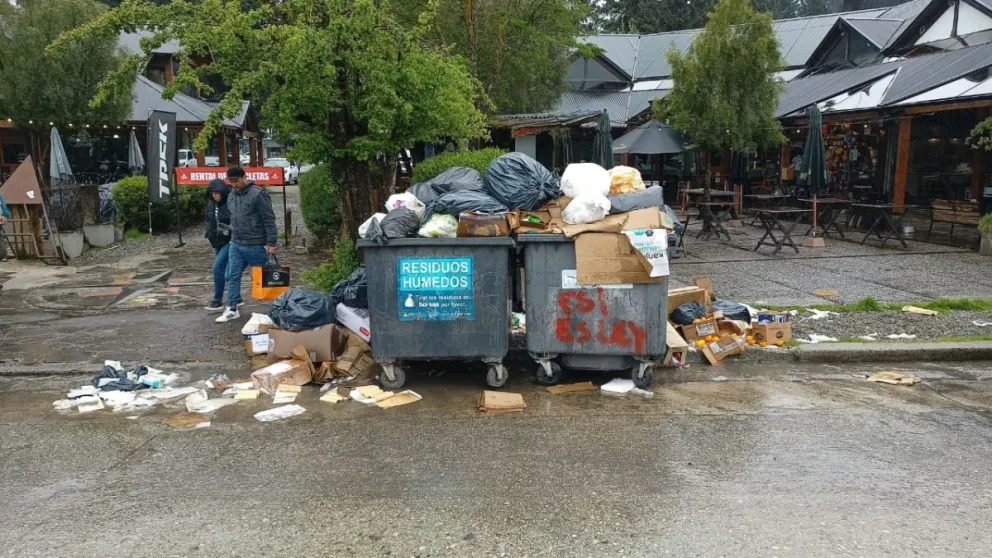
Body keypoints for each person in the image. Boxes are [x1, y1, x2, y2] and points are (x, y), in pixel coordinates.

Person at [215, 167, 277, 323]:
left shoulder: (258, 194)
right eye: (231, 181)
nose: (234, 184)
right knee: (232, 276)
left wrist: (271, 242)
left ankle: (278, 308)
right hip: (236, 243)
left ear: (244, 177)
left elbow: (269, 219)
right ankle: (232, 308)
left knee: (269, 278)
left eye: (236, 180)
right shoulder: (231, 195)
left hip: (255, 244)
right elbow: (232, 216)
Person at [203, 178, 232, 312]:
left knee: (218, 268)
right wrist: (208, 232)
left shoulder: (230, 202)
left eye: (217, 193)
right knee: (225, 270)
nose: (214, 196)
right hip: (216, 241)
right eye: (212, 193)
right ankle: (236, 298)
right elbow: (208, 219)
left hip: (229, 241)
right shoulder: (211, 204)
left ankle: (217, 299)